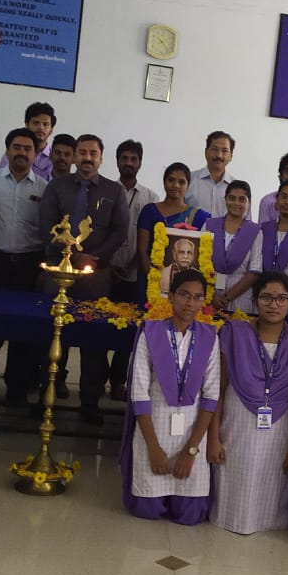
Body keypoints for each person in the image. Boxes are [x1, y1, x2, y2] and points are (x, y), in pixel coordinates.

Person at [208, 271, 288, 534]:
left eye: (281, 298)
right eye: (266, 297)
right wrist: (213, 437)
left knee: (272, 477)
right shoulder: (234, 332)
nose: (273, 304)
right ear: (254, 301)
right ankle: (229, 518)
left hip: (281, 429)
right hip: (236, 425)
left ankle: (269, 522)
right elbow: (218, 389)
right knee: (234, 474)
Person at [37, 134, 130, 422]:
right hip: (58, 272)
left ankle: (90, 402)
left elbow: (119, 231)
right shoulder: (57, 187)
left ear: (101, 158)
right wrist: (70, 256)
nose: (87, 158)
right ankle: (47, 395)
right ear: (75, 156)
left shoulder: (114, 191)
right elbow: (45, 226)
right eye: (83, 152)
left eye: (93, 153)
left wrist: (92, 258)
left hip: (95, 275)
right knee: (53, 335)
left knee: (93, 340)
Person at [121, 268, 221, 524]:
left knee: (190, 516)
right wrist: (154, 449)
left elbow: (211, 396)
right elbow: (139, 393)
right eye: (185, 295)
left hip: (192, 434)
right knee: (148, 510)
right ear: (171, 296)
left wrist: (191, 451)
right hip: (153, 429)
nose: (190, 303)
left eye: (198, 297)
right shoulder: (151, 333)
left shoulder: (209, 337)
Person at [0, 127, 47, 405]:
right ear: (7, 151)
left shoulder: (44, 188)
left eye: (27, 148)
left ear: (35, 153)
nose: (22, 153)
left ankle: (17, 388)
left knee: (24, 330)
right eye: (16, 147)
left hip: (29, 266)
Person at [108, 138, 159, 399]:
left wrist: (131, 265)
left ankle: (118, 380)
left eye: (133, 159)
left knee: (128, 331)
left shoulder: (151, 198)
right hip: (104, 271)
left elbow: (150, 243)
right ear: (117, 161)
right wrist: (108, 264)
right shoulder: (105, 191)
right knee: (99, 326)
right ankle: (95, 380)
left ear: (140, 163)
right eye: (124, 158)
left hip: (135, 275)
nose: (129, 163)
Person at [225, 178, 288, 319]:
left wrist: (285, 300)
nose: (287, 202)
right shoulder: (264, 229)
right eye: (283, 197)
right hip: (264, 301)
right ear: (276, 200)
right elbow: (256, 266)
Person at [137, 163, 209, 281]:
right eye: (171, 180)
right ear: (164, 182)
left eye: (181, 182)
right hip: (150, 279)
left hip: (182, 283)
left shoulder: (199, 216)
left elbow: (203, 255)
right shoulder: (149, 211)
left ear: (188, 185)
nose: (176, 185)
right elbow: (142, 252)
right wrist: (156, 280)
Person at [207, 180, 260, 313]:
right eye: (232, 198)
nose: (236, 203)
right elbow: (200, 263)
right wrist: (211, 296)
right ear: (225, 200)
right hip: (209, 297)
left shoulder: (256, 231)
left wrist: (227, 298)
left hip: (240, 298)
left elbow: (255, 271)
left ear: (249, 202)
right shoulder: (209, 225)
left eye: (242, 199)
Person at [186, 130, 236, 218]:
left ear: (231, 156)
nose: (219, 155)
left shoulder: (237, 188)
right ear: (206, 152)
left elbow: (245, 222)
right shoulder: (188, 180)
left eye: (224, 151)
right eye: (214, 149)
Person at [25, 102, 57, 179]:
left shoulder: (55, 159)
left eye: (45, 124)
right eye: (36, 123)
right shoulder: (13, 154)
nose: (41, 127)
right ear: (27, 125)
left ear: (51, 129)